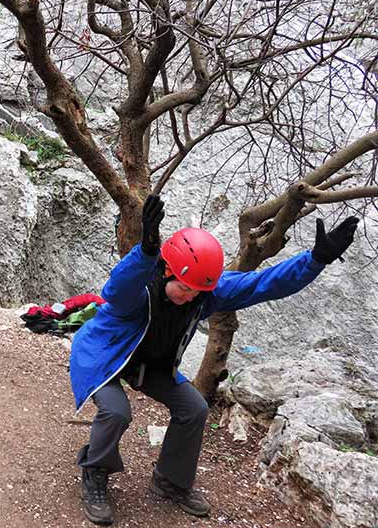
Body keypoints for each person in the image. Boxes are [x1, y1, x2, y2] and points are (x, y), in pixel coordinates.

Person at [69, 194, 358, 525]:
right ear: (167, 271)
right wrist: (146, 252)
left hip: (151, 364)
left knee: (194, 408)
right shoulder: (140, 287)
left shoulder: (205, 291)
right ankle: (95, 472)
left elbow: (263, 284)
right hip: (105, 355)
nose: (190, 296)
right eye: (184, 287)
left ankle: (170, 481)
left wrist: (315, 260)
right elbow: (115, 292)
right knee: (117, 411)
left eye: (197, 291)